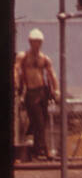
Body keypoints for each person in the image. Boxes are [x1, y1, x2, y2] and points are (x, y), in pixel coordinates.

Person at [15, 29, 59, 159]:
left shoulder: (44, 59)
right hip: (31, 92)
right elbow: (16, 69)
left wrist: (56, 90)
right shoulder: (23, 57)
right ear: (30, 42)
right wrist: (16, 83)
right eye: (35, 42)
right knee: (38, 121)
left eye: (39, 42)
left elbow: (52, 74)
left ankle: (37, 150)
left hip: (42, 91)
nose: (37, 44)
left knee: (42, 121)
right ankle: (43, 151)